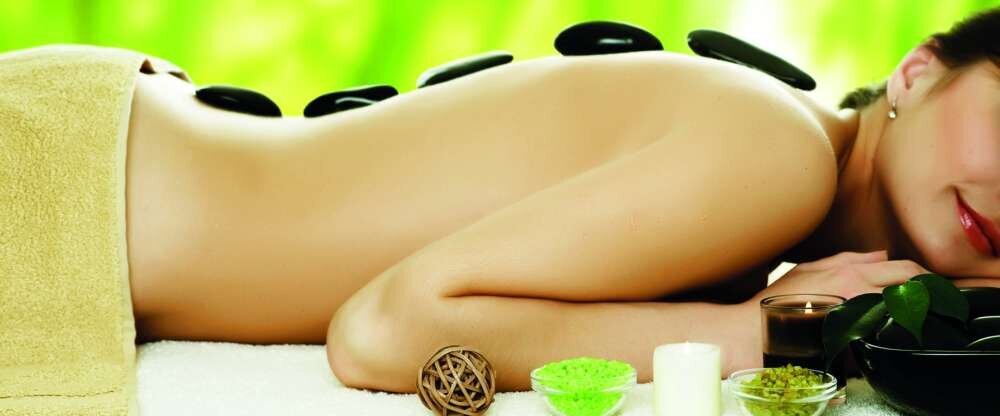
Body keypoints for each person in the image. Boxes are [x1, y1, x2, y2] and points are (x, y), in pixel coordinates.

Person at [123, 7, 999, 393]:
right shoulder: (779, 157)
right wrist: (757, 332)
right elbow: (382, 334)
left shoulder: (774, 153)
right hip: (84, 185)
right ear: (917, 71)